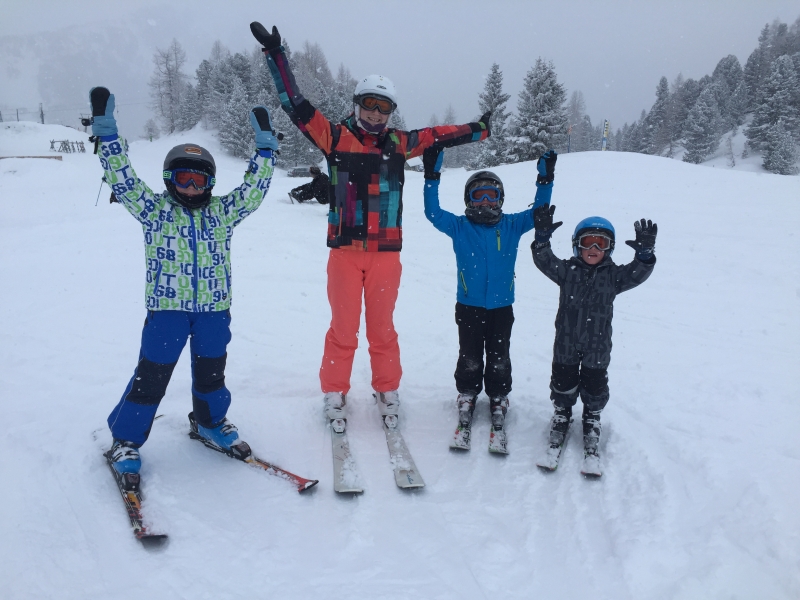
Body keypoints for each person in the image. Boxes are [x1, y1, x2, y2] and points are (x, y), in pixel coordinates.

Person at [250, 22, 491, 432]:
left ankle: (387, 388)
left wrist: (479, 129)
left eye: (383, 107)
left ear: (390, 112)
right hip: (344, 253)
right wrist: (276, 55)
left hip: (385, 256)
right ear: (357, 104)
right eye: (369, 104)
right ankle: (334, 391)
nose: (376, 113)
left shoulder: (399, 144)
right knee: (343, 329)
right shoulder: (334, 137)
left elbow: (439, 135)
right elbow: (295, 105)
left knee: (382, 330)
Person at [88, 86, 279, 484]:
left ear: (210, 183)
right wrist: (107, 136)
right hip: (167, 312)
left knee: (212, 375)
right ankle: (125, 440)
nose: (191, 186)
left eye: (199, 179)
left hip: (214, 312)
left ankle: (209, 422)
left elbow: (253, 191)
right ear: (169, 180)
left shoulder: (223, 212)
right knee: (152, 378)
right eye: (183, 178)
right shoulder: (155, 210)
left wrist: (265, 150)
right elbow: (123, 180)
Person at [422, 147, 557, 453]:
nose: (486, 201)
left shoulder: (511, 225)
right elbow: (433, 213)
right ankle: (467, 393)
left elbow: (539, 212)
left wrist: (545, 180)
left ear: (501, 199)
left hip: (501, 307)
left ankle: (498, 395)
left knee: (499, 356)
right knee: (469, 354)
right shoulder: (460, 226)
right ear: (469, 200)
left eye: (491, 195)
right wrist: (432, 177)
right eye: (479, 195)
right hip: (468, 305)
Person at [531, 203, 657, 474]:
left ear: (610, 249)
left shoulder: (613, 276)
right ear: (577, 245)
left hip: (597, 345)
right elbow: (545, 260)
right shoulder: (567, 271)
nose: (594, 249)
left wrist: (645, 256)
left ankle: (592, 417)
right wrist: (541, 240)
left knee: (595, 383)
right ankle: (562, 414)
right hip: (566, 342)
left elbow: (637, 273)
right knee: (563, 380)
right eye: (588, 242)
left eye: (602, 244)